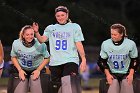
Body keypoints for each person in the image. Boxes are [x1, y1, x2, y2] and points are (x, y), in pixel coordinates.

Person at [32, 5, 87, 93]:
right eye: (58, 16)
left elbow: (79, 44)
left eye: (62, 15)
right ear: (55, 16)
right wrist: (36, 32)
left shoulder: (74, 27)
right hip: (55, 62)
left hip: (70, 60)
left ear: (67, 15)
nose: (60, 17)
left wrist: (83, 59)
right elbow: (42, 40)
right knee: (55, 88)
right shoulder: (51, 28)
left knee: (68, 85)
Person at [7, 25, 50, 93]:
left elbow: (47, 58)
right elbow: (13, 57)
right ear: (23, 35)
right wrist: (20, 70)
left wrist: (38, 70)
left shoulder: (40, 44)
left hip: (36, 69)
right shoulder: (16, 43)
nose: (30, 36)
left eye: (31, 34)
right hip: (22, 69)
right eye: (27, 34)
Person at [97, 23, 139, 93]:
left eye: (115, 34)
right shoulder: (106, 44)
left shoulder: (130, 44)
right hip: (112, 72)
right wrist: (108, 75)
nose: (112, 36)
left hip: (126, 73)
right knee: (113, 86)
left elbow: (135, 60)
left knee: (127, 85)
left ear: (121, 34)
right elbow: (101, 61)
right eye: (111, 34)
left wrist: (131, 74)